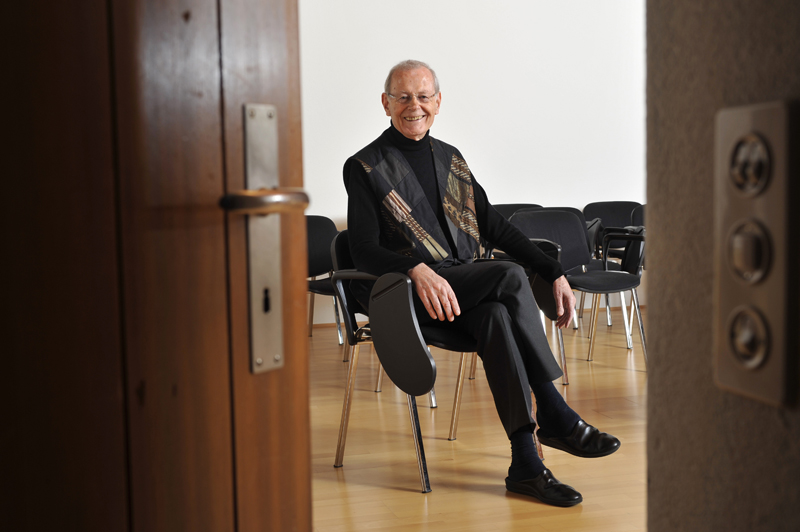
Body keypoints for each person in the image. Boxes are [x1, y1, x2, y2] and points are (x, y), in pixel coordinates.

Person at [343, 59, 620, 507]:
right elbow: (361, 250)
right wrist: (415, 269)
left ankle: (525, 463)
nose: (414, 106)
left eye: (423, 96)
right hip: (409, 297)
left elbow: (494, 226)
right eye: (403, 97)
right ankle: (553, 410)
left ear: (438, 102)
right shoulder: (365, 166)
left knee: (496, 316)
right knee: (508, 274)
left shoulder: (451, 158)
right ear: (385, 103)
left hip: (462, 290)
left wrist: (553, 270)